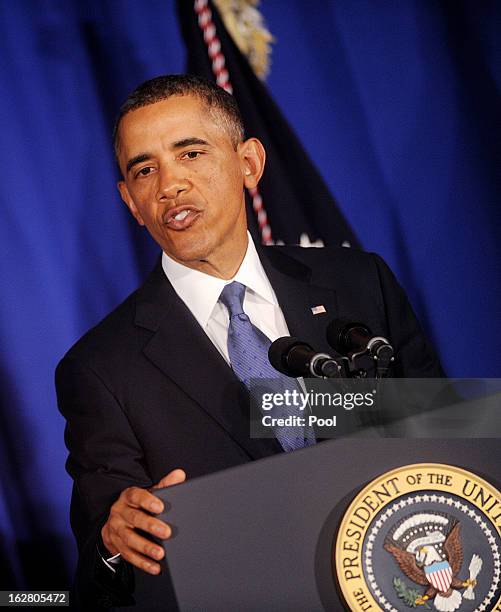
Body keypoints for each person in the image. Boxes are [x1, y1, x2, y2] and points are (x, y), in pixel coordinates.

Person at [55, 74, 444, 610]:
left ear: (249, 163)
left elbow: (444, 443)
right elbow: (105, 566)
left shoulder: (359, 283)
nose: (169, 184)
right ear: (131, 201)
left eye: (190, 153)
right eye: (144, 169)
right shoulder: (100, 368)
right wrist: (113, 543)